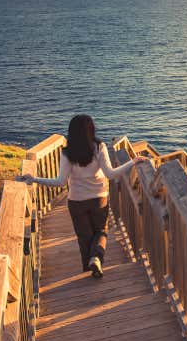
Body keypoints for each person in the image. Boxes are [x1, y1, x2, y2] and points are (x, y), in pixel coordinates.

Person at [19, 115, 146, 278]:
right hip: (99, 198)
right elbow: (110, 174)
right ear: (91, 129)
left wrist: (35, 179)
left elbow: (60, 181)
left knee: (84, 236)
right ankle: (96, 258)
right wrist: (133, 161)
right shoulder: (99, 147)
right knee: (100, 232)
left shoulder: (67, 152)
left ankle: (89, 268)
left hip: (76, 201)